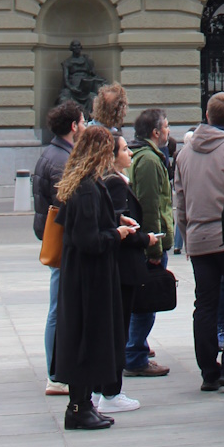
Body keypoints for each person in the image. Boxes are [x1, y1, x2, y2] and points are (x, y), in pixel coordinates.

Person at [52, 125, 142, 431]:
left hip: (84, 277)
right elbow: (88, 239)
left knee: (86, 340)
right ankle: (78, 408)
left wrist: (115, 219)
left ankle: (83, 405)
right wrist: (116, 232)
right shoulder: (88, 187)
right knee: (87, 342)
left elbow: (79, 224)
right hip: (89, 280)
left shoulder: (82, 183)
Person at [173, 92, 224, 392]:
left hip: (197, 237)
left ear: (207, 116)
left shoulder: (184, 153)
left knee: (204, 305)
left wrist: (186, 231)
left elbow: (179, 200)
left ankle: (208, 371)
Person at [100, 133, 155, 413]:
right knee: (118, 329)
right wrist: (146, 239)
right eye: (124, 150)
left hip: (119, 267)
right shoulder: (114, 184)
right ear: (111, 156)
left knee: (118, 328)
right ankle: (111, 391)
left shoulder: (113, 182)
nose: (129, 154)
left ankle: (108, 389)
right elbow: (121, 231)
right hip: (123, 267)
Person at [33, 99, 83, 394]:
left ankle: (58, 369)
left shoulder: (51, 154)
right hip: (65, 242)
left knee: (58, 306)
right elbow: (66, 203)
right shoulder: (61, 159)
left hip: (58, 239)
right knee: (59, 307)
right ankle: (56, 372)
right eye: (83, 121)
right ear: (73, 126)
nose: (85, 125)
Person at [126, 108, 174, 378]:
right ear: (156, 132)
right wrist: (154, 247)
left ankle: (135, 349)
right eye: (166, 127)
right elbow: (150, 206)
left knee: (142, 301)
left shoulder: (146, 157)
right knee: (145, 302)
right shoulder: (149, 161)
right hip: (150, 243)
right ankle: (134, 355)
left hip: (148, 241)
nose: (168, 131)